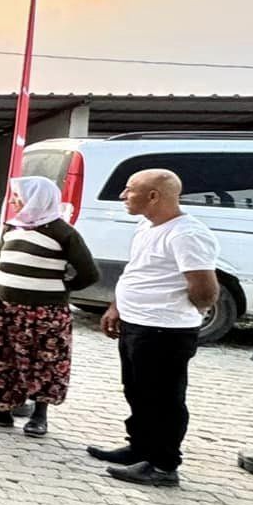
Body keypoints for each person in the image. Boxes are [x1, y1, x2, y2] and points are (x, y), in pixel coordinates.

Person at [88, 169, 219, 487]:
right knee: (137, 391)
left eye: (130, 190)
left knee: (164, 398)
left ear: (154, 196)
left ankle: (163, 465)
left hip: (165, 331)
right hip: (138, 324)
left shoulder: (186, 234)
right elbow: (137, 270)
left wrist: (175, 309)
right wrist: (117, 306)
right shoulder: (147, 225)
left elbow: (204, 289)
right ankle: (140, 448)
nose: (123, 196)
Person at [0, 177, 99, 437]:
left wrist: (59, 288)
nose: (14, 201)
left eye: (19, 196)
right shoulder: (12, 228)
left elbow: (89, 273)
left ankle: (39, 415)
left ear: (38, 198)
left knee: (44, 362)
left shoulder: (63, 232)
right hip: (6, 308)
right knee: (1, 358)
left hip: (44, 312)